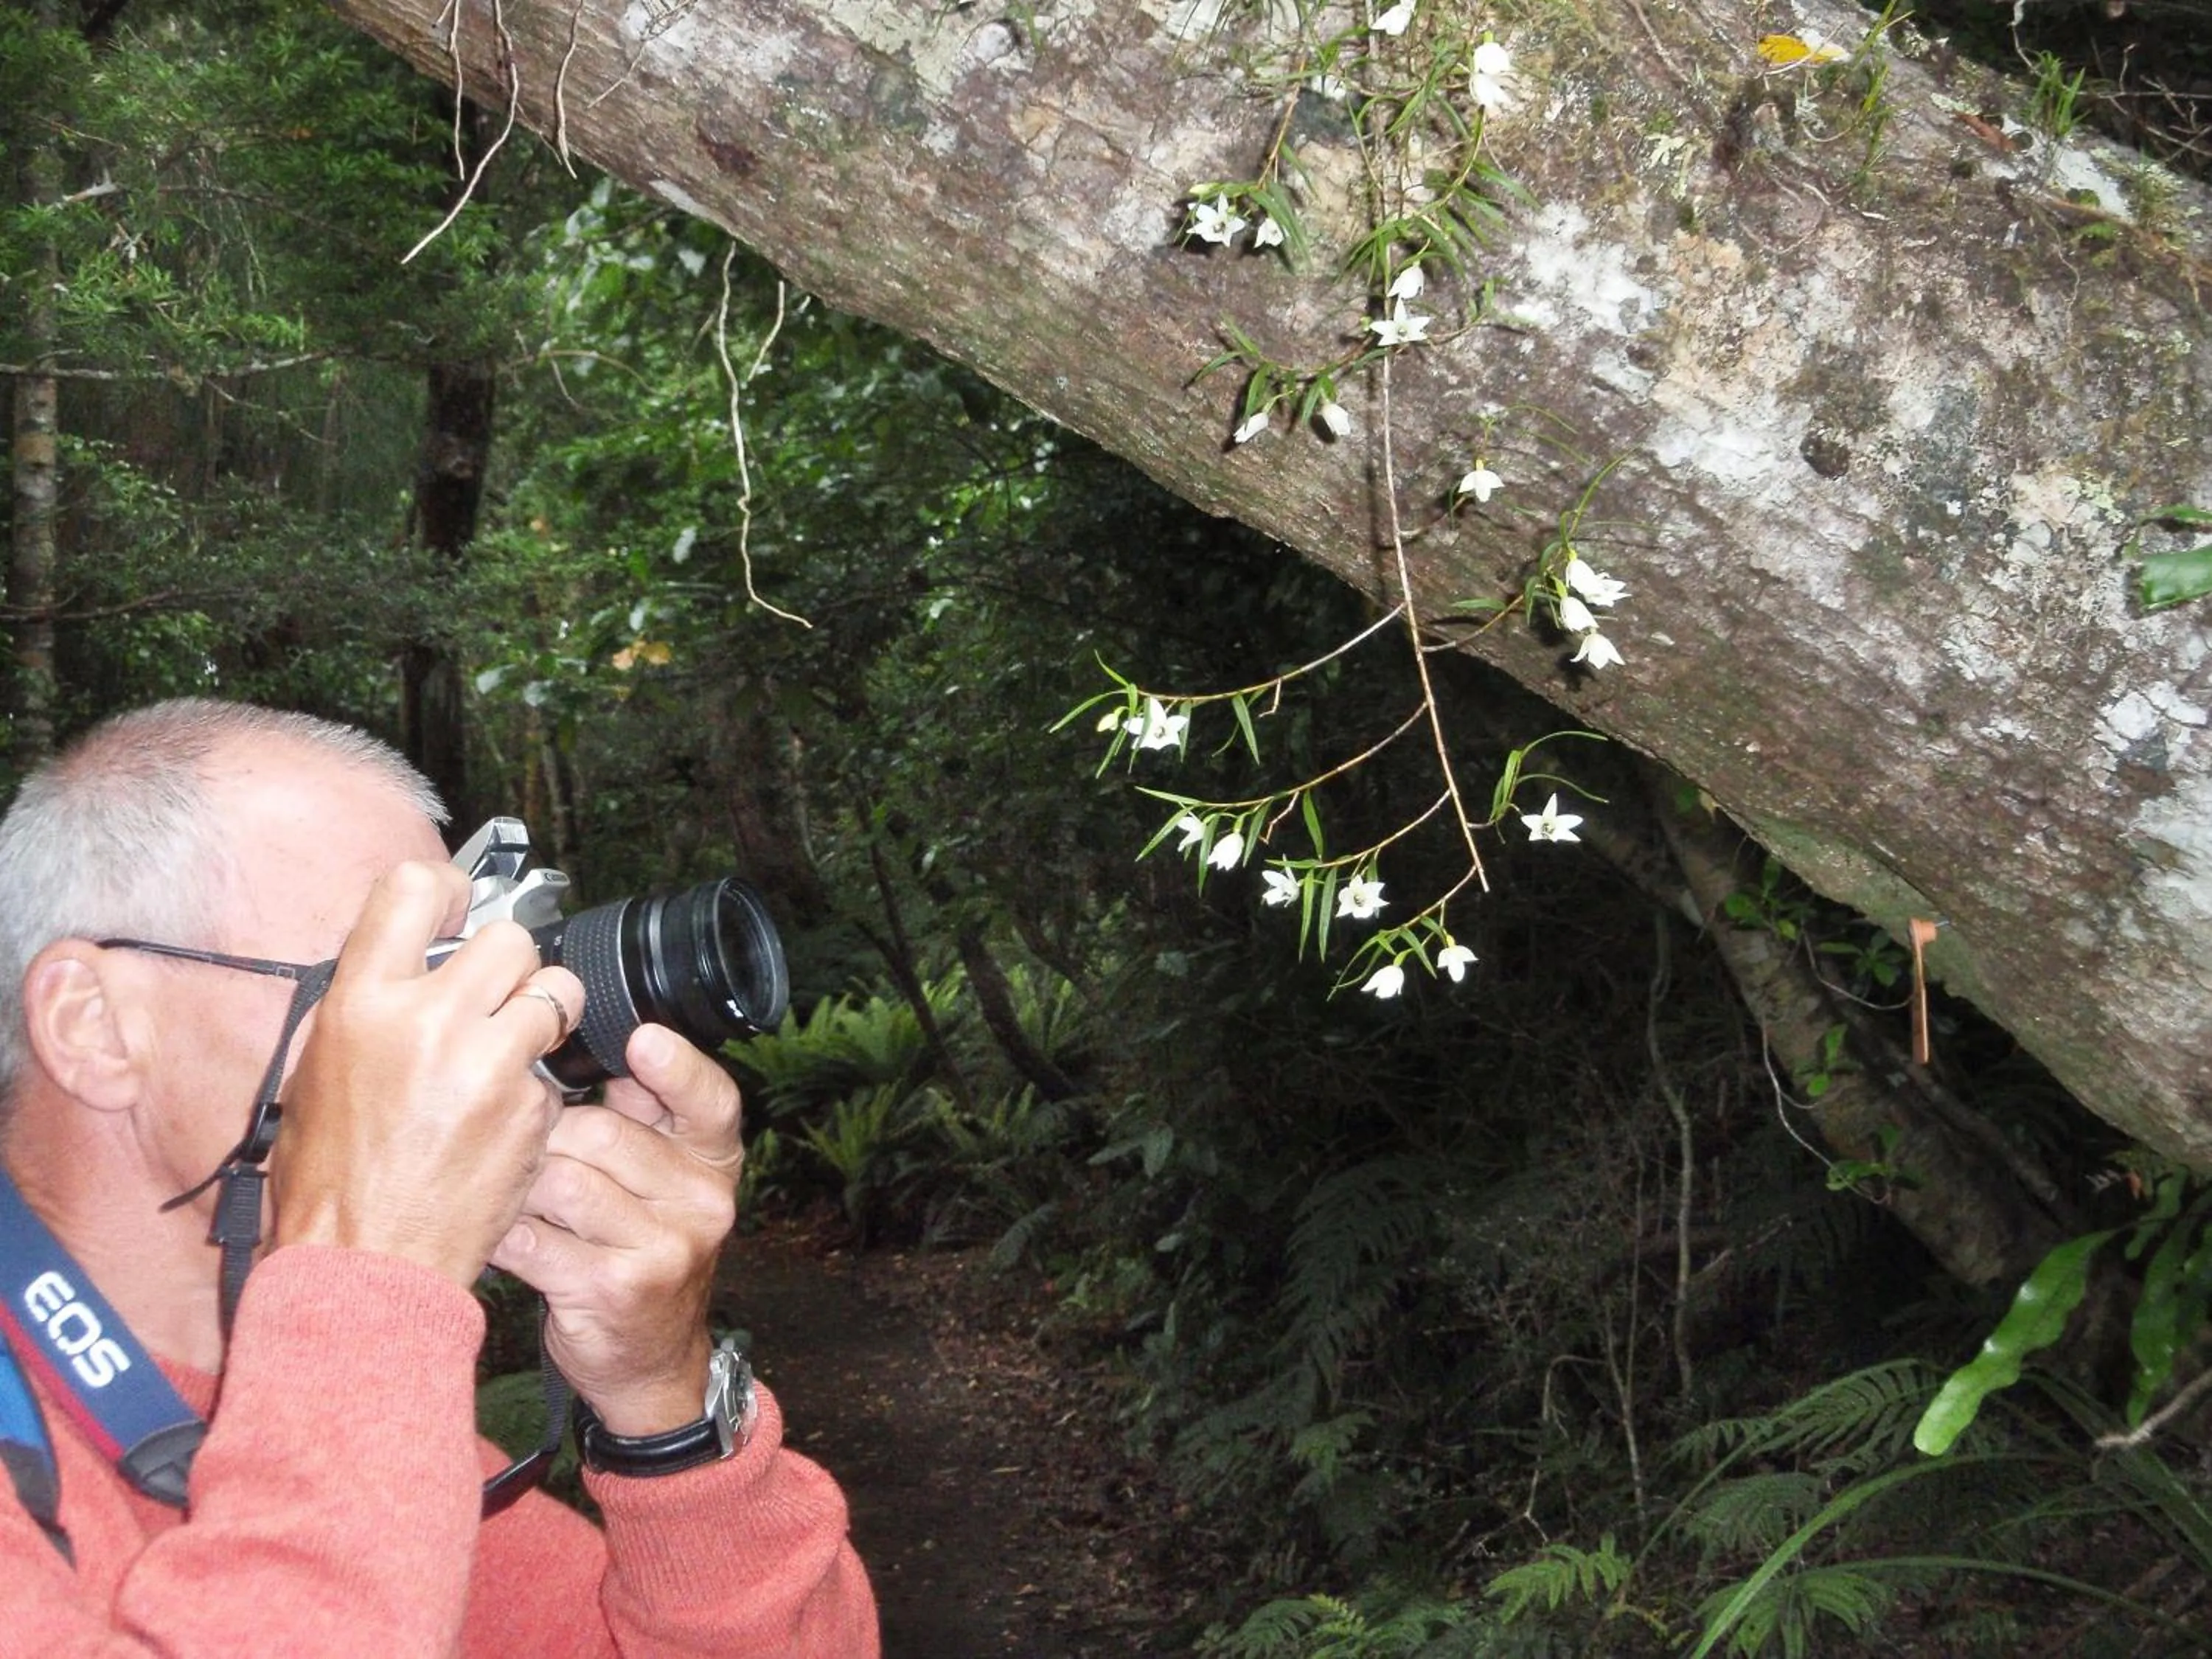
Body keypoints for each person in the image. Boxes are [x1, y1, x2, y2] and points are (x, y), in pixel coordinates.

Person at [0, 699, 877, 1655]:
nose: (478, 1034)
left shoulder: (363, 1452)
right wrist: (370, 1278)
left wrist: (663, 1407)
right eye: (389, 972)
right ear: (92, 1024)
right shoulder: (350, 1412)